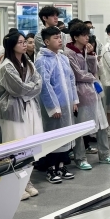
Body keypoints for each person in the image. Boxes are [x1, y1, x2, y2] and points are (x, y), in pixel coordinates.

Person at [65, 22, 110, 169]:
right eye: (84, 35)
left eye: (87, 35)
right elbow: (77, 75)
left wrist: (90, 55)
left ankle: (104, 154)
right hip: (79, 92)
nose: (87, 38)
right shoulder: (69, 53)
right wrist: (92, 77)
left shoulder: (87, 49)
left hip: (92, 91)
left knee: (101, 124)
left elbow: (94, 70)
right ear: (75, 37)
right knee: (80, 127)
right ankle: (80, 158)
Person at [0, 32, 43, 199]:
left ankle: (27, 181)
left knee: (29, 147)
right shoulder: (5, 66)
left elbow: (39, 83)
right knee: (15, 148)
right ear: (12, 46)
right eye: (21, 42)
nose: (24, 45)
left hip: (29, 107)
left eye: (25, 42)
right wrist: (30, 87)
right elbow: (18, 89)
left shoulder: (28, 62)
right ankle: (16, 184)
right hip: (13, 110)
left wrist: (28, 88)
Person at [35, 27, 77, 183]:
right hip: (53, 107)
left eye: (60, 37)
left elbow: (71, 79)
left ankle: (61, 166)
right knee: (53, 137)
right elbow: (45, 85)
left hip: (66, 104)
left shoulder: (63, 57)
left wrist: (74, 100)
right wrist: (53, 107)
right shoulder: (42, 60)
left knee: (65, 136)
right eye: (55, 38)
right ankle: (50, 169)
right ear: (46, 41)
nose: (60, 40)